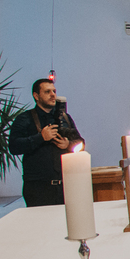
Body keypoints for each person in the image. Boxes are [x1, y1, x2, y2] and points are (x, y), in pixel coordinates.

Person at [8, 78, 84, 206]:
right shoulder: (24, 119)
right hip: (38, 188)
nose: (53, 94)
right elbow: (14, 147)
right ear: (36, 96)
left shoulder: (65, 118)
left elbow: (81, 142)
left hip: (65, 185)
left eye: (54, 91)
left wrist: (68, 145)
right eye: (47, 92)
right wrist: (40, 137)